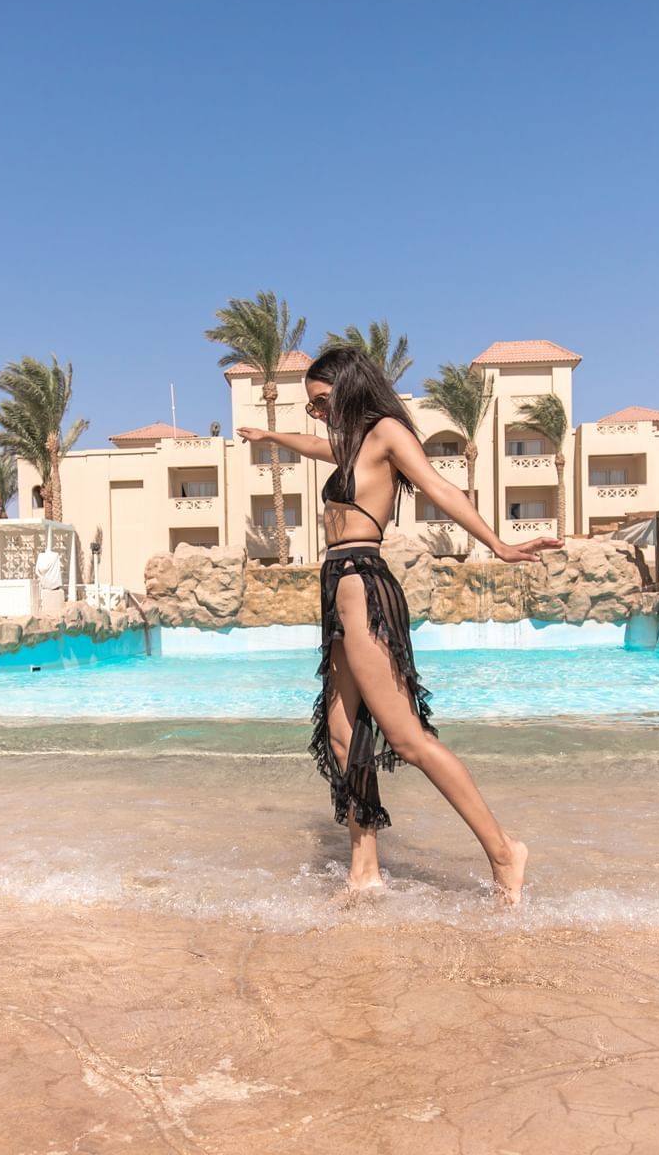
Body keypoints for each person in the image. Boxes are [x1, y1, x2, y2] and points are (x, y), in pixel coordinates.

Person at [237, 346, 557, 906]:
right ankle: (364, 870)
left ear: (348, 389)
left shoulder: (385, 432)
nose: (316, 415)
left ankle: (505, 849)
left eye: (319, 402)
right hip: (336, 583)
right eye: (311, 408)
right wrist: (271, 440)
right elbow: (316, 447)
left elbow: (438, 487)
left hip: (363, 580)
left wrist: (499, 546)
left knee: (407, 738)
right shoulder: (348, 446)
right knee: (341, 735)